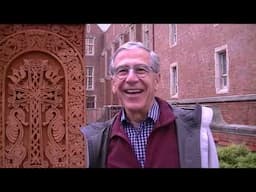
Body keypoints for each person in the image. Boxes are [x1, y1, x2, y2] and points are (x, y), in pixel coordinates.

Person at [81, 41, 219, 168]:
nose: (131, 78)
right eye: (122, 71)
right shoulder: (95, 141)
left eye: (141, 69)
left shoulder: (195, 129)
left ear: (156, 80)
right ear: (114, 84)